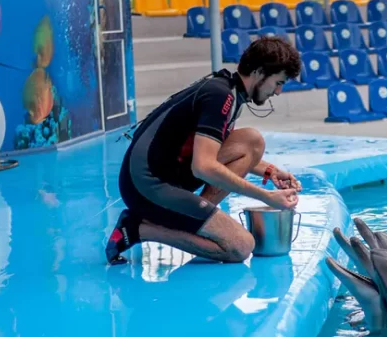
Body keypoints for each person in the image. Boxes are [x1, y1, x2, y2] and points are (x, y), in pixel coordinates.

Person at [105, 36, 303, 265]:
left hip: (171, 173)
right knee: (240, 247)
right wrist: (266, 196)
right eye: (278, 82)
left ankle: (196, 218)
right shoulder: (220, 95)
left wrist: (271, 172)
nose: (278, 92)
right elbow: (204, 166)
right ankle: (137, 229)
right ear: (259, 72)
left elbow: (222, 152)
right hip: (146, 185)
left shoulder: (230, 91)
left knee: (252, 142)